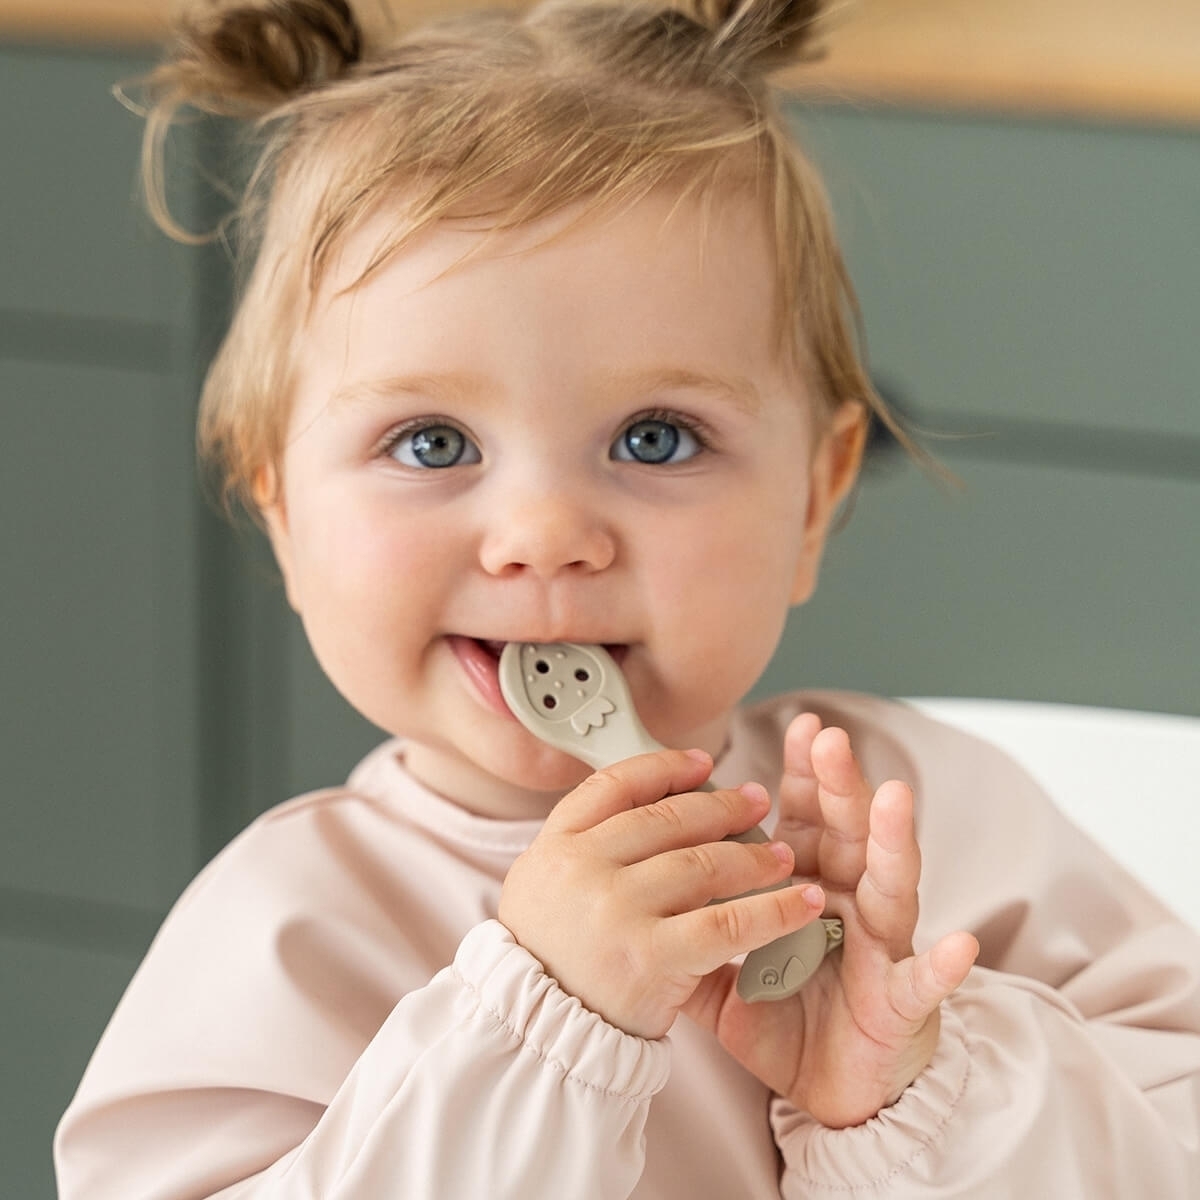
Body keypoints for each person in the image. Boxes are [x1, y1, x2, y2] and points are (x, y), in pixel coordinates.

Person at [54, 1, 1200, 1196]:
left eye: (657, 438)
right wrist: (539, 1036)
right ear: (283, 512)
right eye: (433, 442)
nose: (545, 537)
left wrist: (921, 1093)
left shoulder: (934, 822)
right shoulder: (286, 936)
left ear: (814, 500)